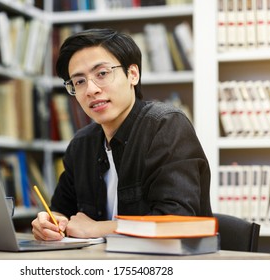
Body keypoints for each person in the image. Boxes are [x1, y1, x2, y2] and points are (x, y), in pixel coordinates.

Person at [31, 28, 212, 241]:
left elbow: (176, 222)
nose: (91, 89)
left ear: (132, 74)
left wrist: (97, 229)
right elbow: (62, 210)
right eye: (79, 81)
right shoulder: (82, 144)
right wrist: (50, 223)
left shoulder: (164, 125)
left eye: (102, 74)